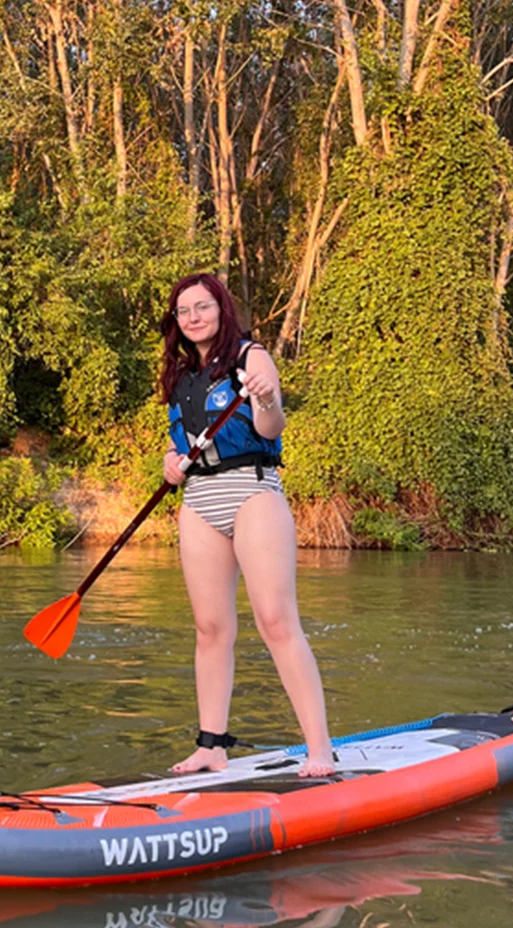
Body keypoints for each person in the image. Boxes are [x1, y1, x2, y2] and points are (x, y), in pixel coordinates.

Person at [160, 273, 335, 777]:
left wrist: (264, 396)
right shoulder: (179, 373)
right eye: (184, 311)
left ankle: (319, 748)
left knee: (276, 622)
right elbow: (180, 442)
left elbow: (271, 426)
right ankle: (212, 745)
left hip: (253, 492)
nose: (193, 317)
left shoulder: (249, 356)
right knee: (210, 629)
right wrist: (170, 463)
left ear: (221, 309)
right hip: (199, 501)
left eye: (203, 307)